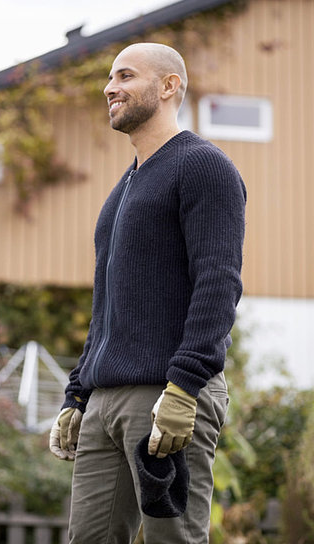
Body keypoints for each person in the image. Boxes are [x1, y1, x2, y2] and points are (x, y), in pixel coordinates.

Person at [49, 42, 247, 544]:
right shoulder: (124, 188)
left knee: (171, 540)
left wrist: (183, 387)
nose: (109, 88)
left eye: (125, 76)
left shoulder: (203, 166)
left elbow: (218, 284)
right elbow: (108, 304)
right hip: (104, 403)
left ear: (168, 87)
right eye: (110, 79)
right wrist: (78, 392)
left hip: (167, 397)